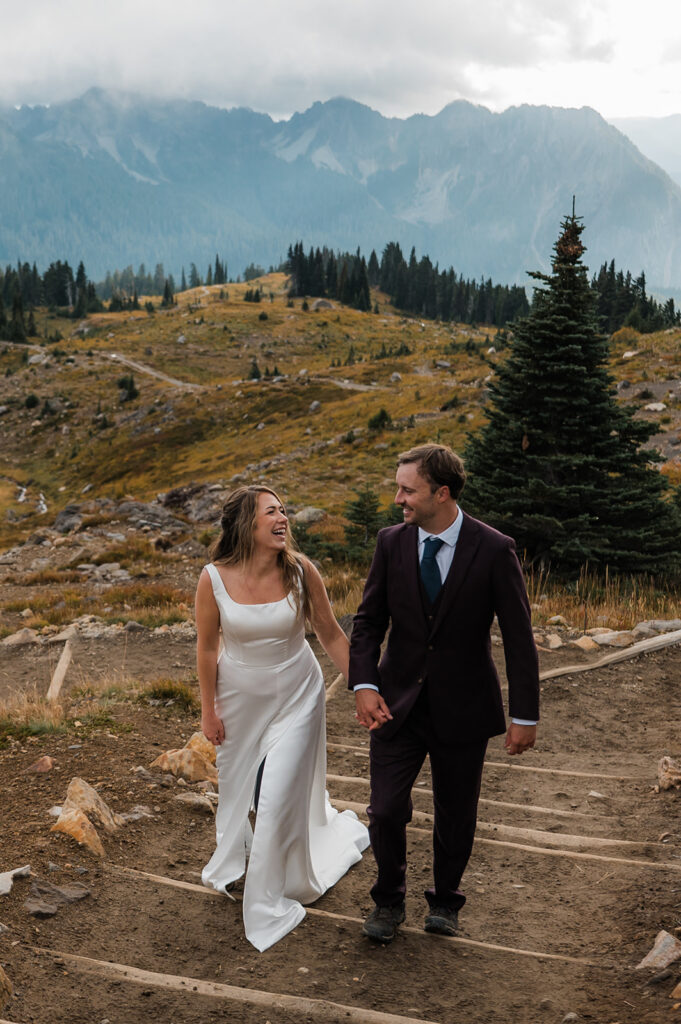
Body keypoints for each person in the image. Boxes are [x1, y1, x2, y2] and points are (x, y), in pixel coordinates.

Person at [349, 444, 539, 943]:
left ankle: (446, 902)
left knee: (457, 812)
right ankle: (388, 901)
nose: (398, 499)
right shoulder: (391, 543)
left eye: (408, 490)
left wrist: (525, 714)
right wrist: (364, 685)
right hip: (394, 706)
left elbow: (519, 637)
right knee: (386, 809)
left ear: (442, 493)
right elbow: (369, 623)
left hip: (465, 706)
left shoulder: (495, 548)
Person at [196, 484, 369, 952]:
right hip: (240, 702)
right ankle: (252, 860)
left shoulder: (300, 571)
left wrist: (365, 689)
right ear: (246, 525)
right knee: (238, 792)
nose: (283, 518)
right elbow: (208, 648)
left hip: (298, 695)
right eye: (271, 512)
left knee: (273, 796)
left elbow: (331, 634)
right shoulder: (212, 578)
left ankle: (269, 896)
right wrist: (208, 711)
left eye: (284, 511)